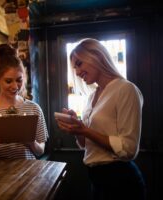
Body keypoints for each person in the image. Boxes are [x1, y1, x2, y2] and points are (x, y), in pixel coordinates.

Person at [55, 38, 146, 200]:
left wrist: (86, 131)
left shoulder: (125, 89)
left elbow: (129, 148)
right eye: (74, 67)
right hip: (97, 180)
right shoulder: (91, 97)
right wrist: (77, 128)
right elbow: (85, 145)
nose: (76, 72)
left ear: (96, 56)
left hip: (121, 181)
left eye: (79, 64)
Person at [0, 43, 48, 159]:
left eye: (19, 80)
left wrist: (31, 142)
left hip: (28, 174)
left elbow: (41, 150)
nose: (15, 86)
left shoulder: (34, 108)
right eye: (8, 81)